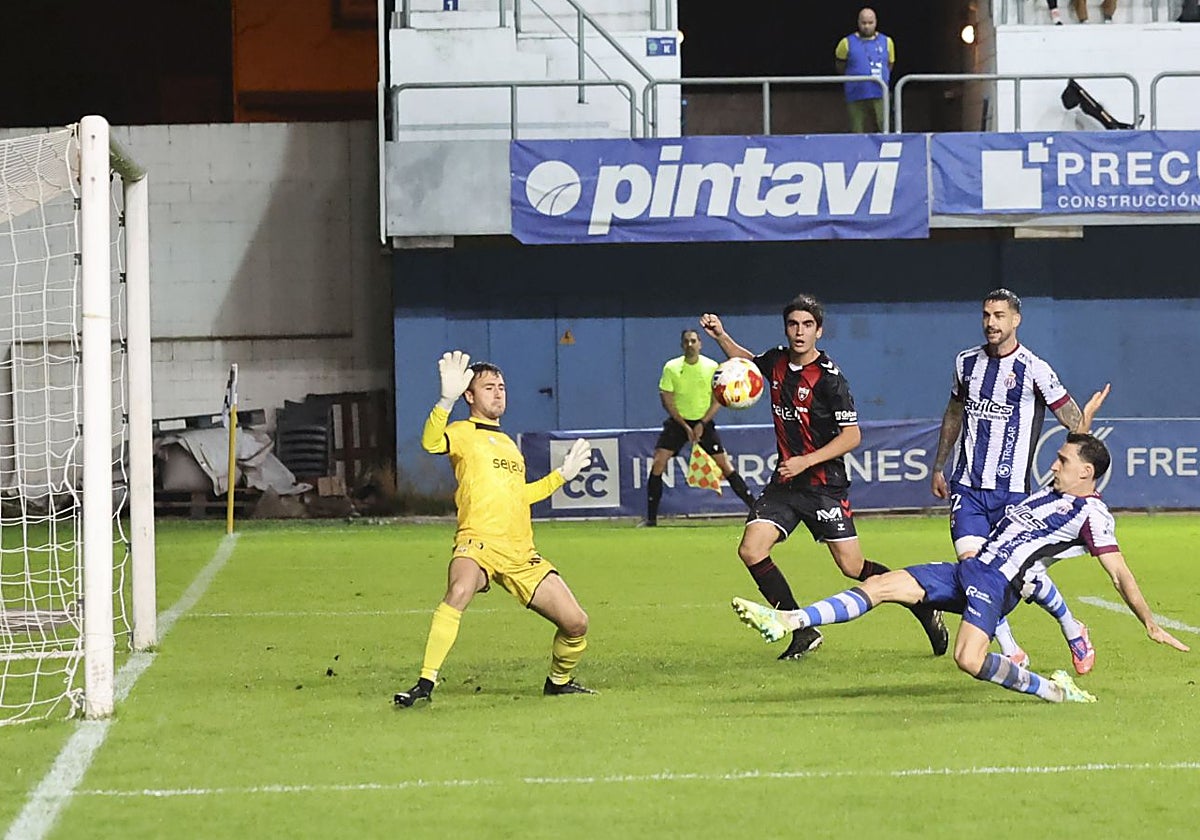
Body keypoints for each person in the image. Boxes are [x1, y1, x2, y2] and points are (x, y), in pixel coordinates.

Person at [733, 431, 1190, 703]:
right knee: (881, 584)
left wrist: (1149, 622)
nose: (1054, 465)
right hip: (969, 568)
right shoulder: (1056, 492)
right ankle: (791, 619)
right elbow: (1083, 452)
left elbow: (1119, 573)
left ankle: (1052, 691)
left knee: (968, 660)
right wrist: (1083, 424)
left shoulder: (1092, 515)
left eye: (1063, 460)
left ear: (1086, 474)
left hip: (999, 584)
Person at [700, 295, 947, 661]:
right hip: (786, 485)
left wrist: (805, 461)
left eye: (807, 325)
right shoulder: (778, 361)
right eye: (793, 324)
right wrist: (721, 335)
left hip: (824, 487)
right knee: (751, 549)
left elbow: (852, 436)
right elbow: (747, 363)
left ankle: (920, 602)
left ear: (819, 330)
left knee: (852, 567)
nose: (799, 332)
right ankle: (801, 631)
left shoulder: (831, 380)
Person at [394, 351, 597, 707]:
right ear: (469, 396)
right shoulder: (461, 432)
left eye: (502, 387)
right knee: (458, 591)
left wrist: (561, 476)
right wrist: (445, 400)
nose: (498, 393)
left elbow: (521, 495)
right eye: (488, 387)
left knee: (577, 623)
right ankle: (425, 684)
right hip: (478, 543)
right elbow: (429, 443)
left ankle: (558, 682)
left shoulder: (508, 445)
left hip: (520, 553)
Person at [931, 288, 1100, 675]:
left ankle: (1072, 628)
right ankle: (1010, 647)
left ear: (1016, 320)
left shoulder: (1034, 369)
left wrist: (1085, 423)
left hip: (1013, 494)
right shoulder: (966, 363)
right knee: (974, 568)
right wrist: (939, 466)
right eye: (987, 315)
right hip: (968, 489)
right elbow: (954, 413)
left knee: (1022, 577)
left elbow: (1074, 424)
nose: (992, 323)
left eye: (1000, 316)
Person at [643, 328, 757, 527]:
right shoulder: (671, 367)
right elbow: (667, 399)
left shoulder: (712, 366)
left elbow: (719, 398)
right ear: (682, 344)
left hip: (704, 423)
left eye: (693, 341)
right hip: (679, 423)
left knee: (725, 466)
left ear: (700, 343)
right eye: (686, 341)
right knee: (658, 463)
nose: (690, 345)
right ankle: (651, 519)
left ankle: (756, 511)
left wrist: (702, 423)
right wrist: (684, 425)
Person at [834, 7, 894, 133]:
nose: (867, 26)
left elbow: (890, 64)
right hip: (855, 94)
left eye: (870, 23)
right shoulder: (845, 43)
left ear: (876, 22)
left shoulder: (887, 42)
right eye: (863, 23)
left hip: (879, 93)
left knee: (885, 129)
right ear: (858, 22)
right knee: (856, 131)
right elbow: (840, 66)